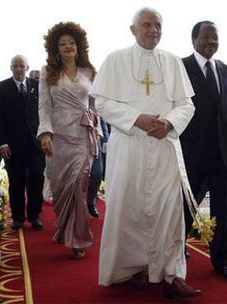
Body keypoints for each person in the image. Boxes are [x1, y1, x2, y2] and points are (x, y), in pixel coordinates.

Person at [90, 7, 200, 299]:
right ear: (133, 29)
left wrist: (169, 122)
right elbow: (101, 102)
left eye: (158, 26)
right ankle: (134, 268)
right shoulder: (115, 59)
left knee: (169, 211)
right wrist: (136, 118)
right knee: (130, 208)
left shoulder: (173, 61)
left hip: (164, 147)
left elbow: (187, 105)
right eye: (147, 25)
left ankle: (173, 273)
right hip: (130, 145)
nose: (153, 30)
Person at [181, 21, 227, 281]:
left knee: (222, 210)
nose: (211, 41)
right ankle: (174, 250)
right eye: (206, 36)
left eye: (215, 37)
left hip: (222, 153)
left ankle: (222, 260)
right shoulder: (181, 67)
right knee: (186, 206)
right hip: (192, 152)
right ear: (194, 39)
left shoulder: (226, 70)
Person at [37, 22, 98, 259]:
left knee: (80, 187)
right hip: (58, 138)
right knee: (63, 190)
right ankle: (66, 229)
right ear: (55, 48)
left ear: (78, 45)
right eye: (62, 44)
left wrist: (98, 127)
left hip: (83, 137)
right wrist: (45, 134)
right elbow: (43, 106)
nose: (67, 47)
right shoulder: (47, 73)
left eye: (71, 42)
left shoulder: (89, 72)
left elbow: (96, 105)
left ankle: (78, 239)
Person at [0, 55, 45, 230]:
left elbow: (44, 113)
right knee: (16, 182)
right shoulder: (1, 88)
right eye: (15, 66)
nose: (18, 69)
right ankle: (18, 217)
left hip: (35, 144)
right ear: (11, 68)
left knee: (36, 180)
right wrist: (2, 143)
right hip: (12, 146)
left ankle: (34, 216)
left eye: (21, 66)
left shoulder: (38, 86)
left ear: (27, 67)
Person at [86, 116, 109, 218]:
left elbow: (100, 117)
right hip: (72, 136)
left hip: (95, 137)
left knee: (97, 172)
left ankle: (90, 202)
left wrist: (106, 141)